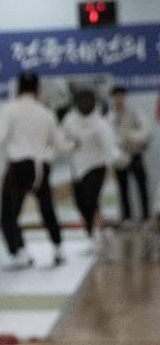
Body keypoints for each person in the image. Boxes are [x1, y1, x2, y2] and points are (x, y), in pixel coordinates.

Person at [0, 71, 67, 269]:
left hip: (19, 167)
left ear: (18, 89)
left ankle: (20, 252)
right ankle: (58, 249)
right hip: (42, 167)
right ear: (37, 89)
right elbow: (60, 144)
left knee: (8, 214)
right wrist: (74, 145)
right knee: (47, 210)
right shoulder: (46, 112)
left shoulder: (10, 109)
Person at [65, 87, 118, 238]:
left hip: (96, 166)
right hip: (77, 168)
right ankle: (93, 227)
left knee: (90, 199)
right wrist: (69, 145)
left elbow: (110, 146)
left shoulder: (101, 123)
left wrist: (117, 157)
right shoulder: (70, 120)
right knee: (80, 202)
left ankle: (93, 230)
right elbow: (62, 138)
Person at [110, 86, 150, 224]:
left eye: (120, 96)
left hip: (134, 154)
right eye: (116, 97)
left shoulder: (134, 112)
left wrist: (134, 137)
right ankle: (127, 218)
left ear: (124, 97)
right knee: (123, 188)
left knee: (141, 186)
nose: (118, 99)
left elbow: (145, 129)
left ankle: (145, 217)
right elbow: (109, 137)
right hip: (120, 157)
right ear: (112, 98)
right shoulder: (110, 115)